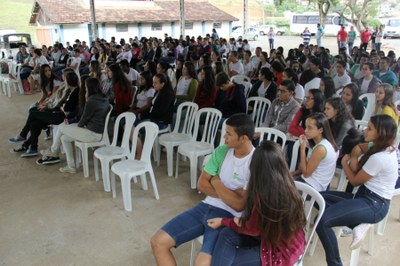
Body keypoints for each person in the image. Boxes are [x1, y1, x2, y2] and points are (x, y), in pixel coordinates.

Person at [151, 114, 256, 266]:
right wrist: (231, 194)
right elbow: (202, 184)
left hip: (228, 218)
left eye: (229, 133)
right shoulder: (222, 151)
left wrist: (216, 181)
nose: (224, 136)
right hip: (205, 207)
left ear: (244, 138)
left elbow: (239, 205)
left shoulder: (256, 161)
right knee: (158, 242)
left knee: (202, 263)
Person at [208, 141, 306, 266]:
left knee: (229, 259)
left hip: (281, 253)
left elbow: (252, 229)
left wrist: (223, 221)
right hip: (283, 241)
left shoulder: (264, 195)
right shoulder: (286, 183)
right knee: (226, 235)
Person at [316, 114, 398, 265]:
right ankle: (358, 224)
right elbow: (359, 147)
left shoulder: (380, 157)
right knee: (318, 198)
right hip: (363, 197)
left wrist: (346, 161)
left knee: (323, 220)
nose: (365, 130)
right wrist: (356, 151)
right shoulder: (380, 146)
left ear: (381, 133)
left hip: (374, 204)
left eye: (370, 128)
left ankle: (335, 263)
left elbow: (353, 181)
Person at [36, 77, 110, 172]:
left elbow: (83, 120)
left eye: (86, 87)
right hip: (95, 131)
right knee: (64, 138)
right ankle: (71, 166)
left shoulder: (91, 101)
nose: (85, 89)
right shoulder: (103, 98)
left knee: (62, 127)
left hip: (93, 134)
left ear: (90, 88)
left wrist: (72, 126)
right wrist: (72, 125)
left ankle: (54, 151)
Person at [11, 71, 80, 157]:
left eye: (65, 79)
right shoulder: (71, 90)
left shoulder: (75, 92)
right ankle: (32, 148)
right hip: (59, 113)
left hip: (61, 117)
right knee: (35, 122)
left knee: (33, 114)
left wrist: (62, 107)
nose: (64, 81)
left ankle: (23, 135)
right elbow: (62, 105)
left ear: (68, 81)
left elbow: (66, 108)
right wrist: (62, 106)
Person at [291, 112, 339, 191]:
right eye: (305, 127)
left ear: (320, 130)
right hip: (313, 183)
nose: (305, 131)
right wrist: (291, 174)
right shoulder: (325, 143)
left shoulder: (320, 149)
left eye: (310, 128)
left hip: (311, 187)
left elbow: (306, 173)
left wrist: (302, 149)